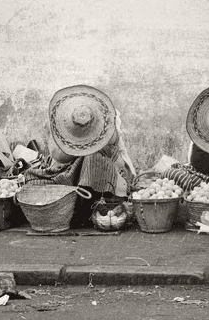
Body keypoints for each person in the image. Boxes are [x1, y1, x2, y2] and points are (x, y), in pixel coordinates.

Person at [24, 85, 136, 227]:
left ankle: (94, 208)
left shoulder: (108, 115)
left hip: (107, 166)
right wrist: (75, 147)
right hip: (69, 166)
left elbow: (114, 141)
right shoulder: (60, 120)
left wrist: (94, 143)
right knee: (35, 179)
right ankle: (75, 210)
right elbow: (58, 155)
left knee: (93, 160)